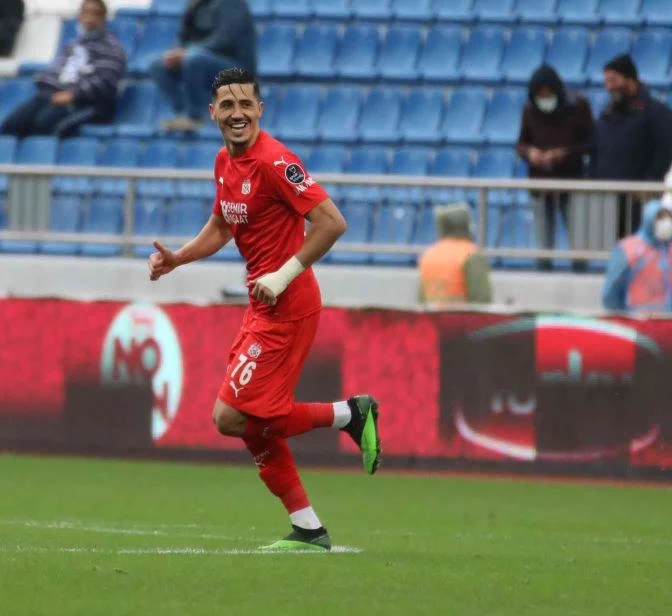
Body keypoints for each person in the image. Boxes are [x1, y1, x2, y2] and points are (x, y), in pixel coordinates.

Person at [147, 68, 381, 552]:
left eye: (245, 105)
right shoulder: (224, 162)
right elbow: (222, 225)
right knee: (247, 421)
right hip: (261, 306)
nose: (237, 114)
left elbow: (332, 223)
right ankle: (308, 528)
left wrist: (283, 274)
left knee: (230, 417)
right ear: (212, 112)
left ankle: (348, 414)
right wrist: (178, 259)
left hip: (289, 305)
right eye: (227, 106)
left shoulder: (276, 161)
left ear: (260, 110)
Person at [0, 0, 125, 138]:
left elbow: (105, 82)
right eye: (86, 13)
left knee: (44, 125)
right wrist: (45, 82)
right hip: (54, 96)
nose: (90, 18)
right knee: (12, 124)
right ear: (80, 16)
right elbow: (57, 72)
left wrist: (74, 94)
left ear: (104, 18)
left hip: (89, 104)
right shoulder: (72, 45)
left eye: (96, 14)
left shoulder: (111, 47)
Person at [516, 65, 594, 270]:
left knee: (579, 243)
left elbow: (590, 143)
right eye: (540, 95)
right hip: (540, 185)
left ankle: (580, 274)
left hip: (572, 183)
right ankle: (543, 274)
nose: (545, 99)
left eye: (548, 94)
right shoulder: (529, 110)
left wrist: (563, 154)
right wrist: (530, 153)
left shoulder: (578, 107)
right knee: (543, 246)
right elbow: (521, 143)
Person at [590, 54, 672, 238]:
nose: (609, 86)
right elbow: (596, 149)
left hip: (639, 200)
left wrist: (650, 182)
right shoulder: (607, 113)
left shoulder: (656, 112)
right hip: (607, 199)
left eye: (613, 80)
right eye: (606, 81)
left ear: (630, 79)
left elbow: (665, 151)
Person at [149, 0, 256, 133]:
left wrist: (187, 52)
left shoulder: (232, 3)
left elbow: (224, 39)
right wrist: (176, 52)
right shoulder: (194, 5)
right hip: (201, 58)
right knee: (158, 66)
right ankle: (182, 112)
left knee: (193, 59)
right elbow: (183, 37)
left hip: (236, 66)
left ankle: (194, 116)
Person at [602, 200, 672, 314]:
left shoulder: (668, 251)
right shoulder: (627, 249)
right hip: (634, 319)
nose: (666, 223)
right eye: (660, 218)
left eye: (668, 218)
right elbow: (611, 294)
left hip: (666, 320)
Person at [418, 202, 492, 305]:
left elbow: (421, 300)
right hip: (461, 315)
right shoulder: (471, 254)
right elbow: (481, 300)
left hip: (433, 314)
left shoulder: (428, 255)